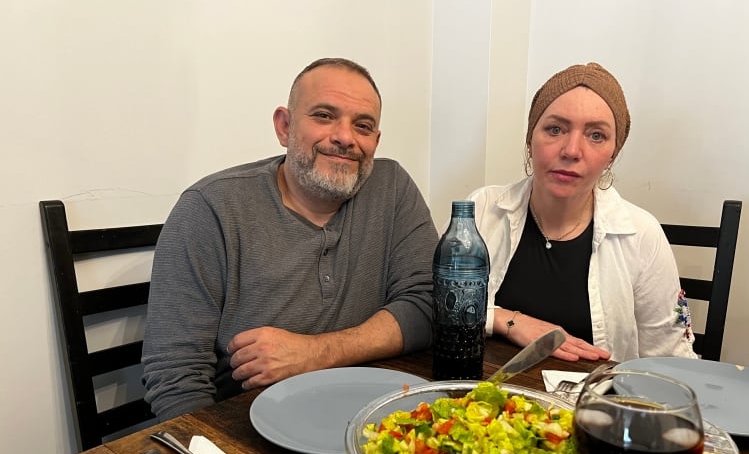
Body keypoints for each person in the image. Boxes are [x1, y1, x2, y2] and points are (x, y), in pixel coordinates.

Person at [142, 57, 439, 420]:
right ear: (284, 127)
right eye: (324, 116)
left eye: (362, 125)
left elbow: (428, 307)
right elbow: (176, 376)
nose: (345, 138)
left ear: (375, 141)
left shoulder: (392, 188)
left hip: (374, 418)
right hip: (245, 431)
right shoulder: (209, 209)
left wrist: (313, 353)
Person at [468, 62, 696, 363]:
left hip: (596, 406)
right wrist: (509, 321)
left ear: (612, 155)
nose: (572, 150)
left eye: (596, 136)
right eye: (555, 129)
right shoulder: (482, 209)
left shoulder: (643, 236)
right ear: (530, 139)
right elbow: (439, 307)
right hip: (483, 400)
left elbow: (671, 362)